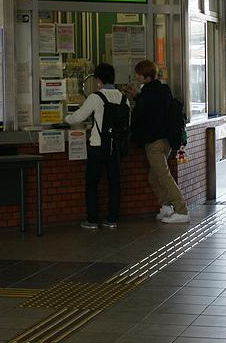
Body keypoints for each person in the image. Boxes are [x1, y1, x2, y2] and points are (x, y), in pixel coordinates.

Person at [65, 63, 124, 230]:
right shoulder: (123, 97)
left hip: (98, 147)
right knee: (114, 184)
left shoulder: (96, 97)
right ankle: (112, 219)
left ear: (98, 80)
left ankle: (92, 220)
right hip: (116, 147)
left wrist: (66, 119)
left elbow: (78, 117)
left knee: (92, 184)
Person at [131, 59, 189, 224]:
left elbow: (140, 117)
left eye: (138, 74)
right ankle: (166, 207)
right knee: (154, 177)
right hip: (167, 141)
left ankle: (182, 210)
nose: (136, 77)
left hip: (154, 143)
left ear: (146, 77)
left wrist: (136, 99)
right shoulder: (164, 90)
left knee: (163, 176)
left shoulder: (146, 94)